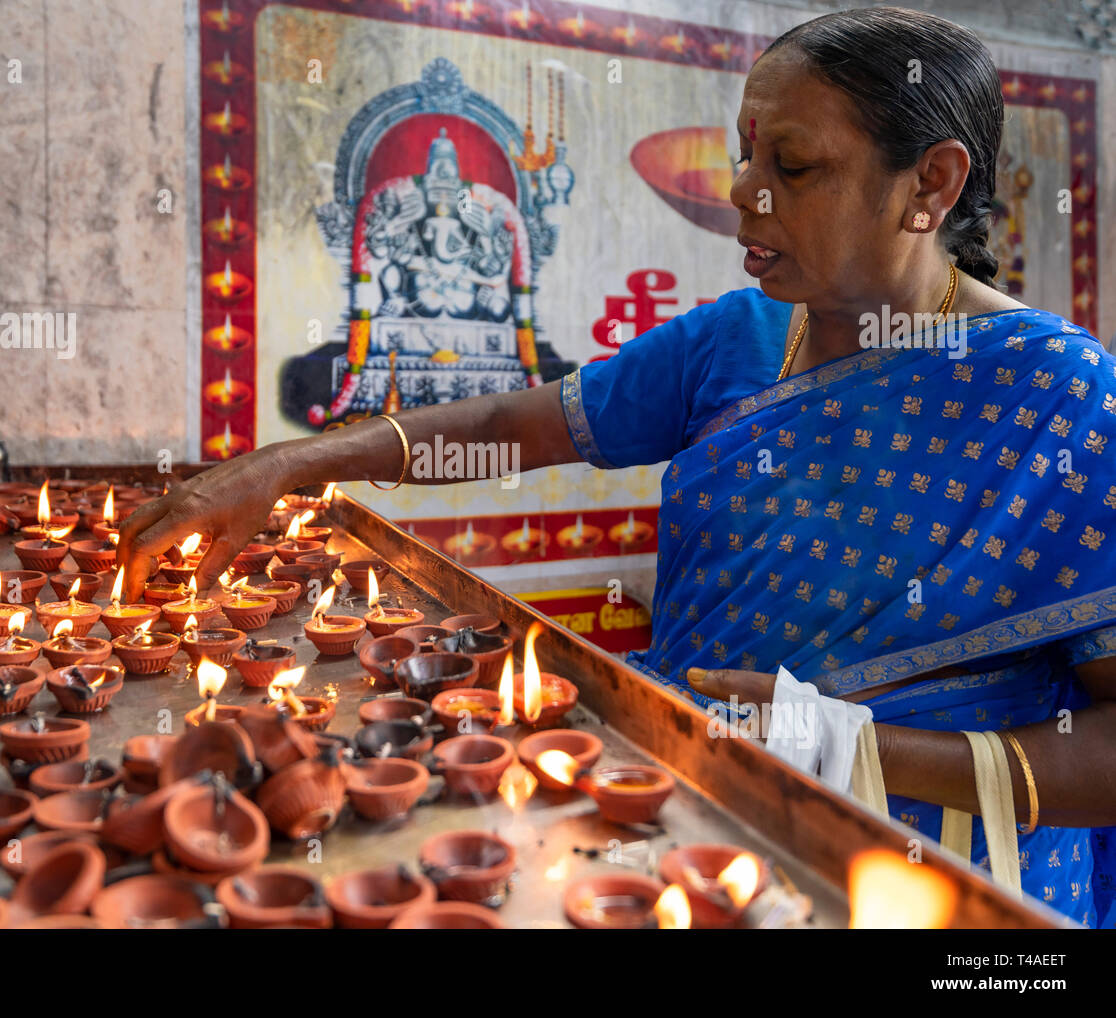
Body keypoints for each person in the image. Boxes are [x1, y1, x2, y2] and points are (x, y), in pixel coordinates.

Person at [120, 7, 1116, 926]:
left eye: (794, 165)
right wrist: (295, 466)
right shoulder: (738, 340)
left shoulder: (1062, 398)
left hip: (937, 883)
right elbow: (515, 421)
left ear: (929, 186)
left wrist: (845, 745)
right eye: (743, 153)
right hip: (692, 828)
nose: (739, 190)